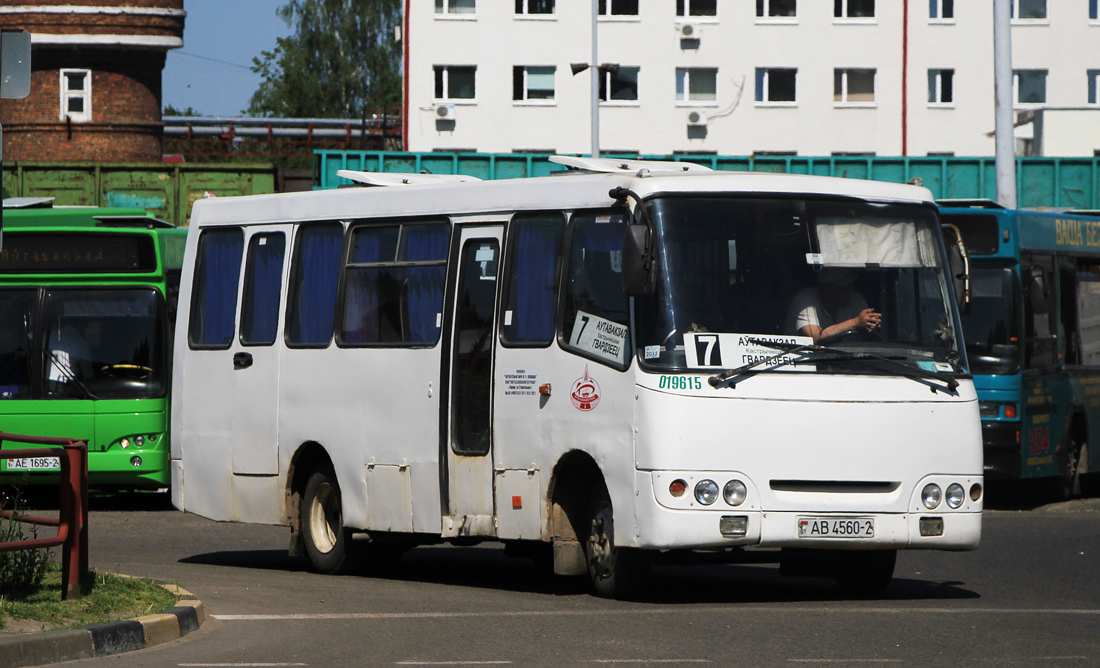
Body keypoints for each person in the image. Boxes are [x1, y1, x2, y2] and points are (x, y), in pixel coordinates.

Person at [786, 267, 882, 343]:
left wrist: (870, 324)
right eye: (844, 287)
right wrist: (855, 323)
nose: (849, 290)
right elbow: (814, 337)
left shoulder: (855, 299)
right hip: (806, 364)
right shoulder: (805, 299)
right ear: (826, 288)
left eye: (851, 285)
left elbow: (871, 336)